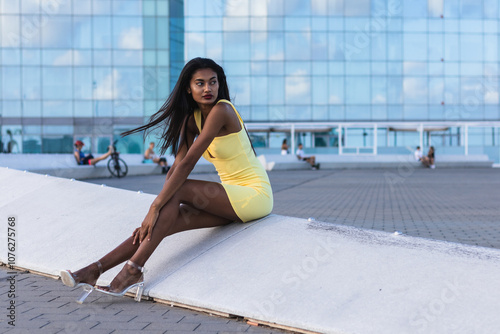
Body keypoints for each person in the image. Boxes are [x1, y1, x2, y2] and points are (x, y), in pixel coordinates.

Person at [60, 58, 273, 302]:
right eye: (200, 83)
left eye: (213, 82)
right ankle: (95, 269)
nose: (208, 89)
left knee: (170, 200)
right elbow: (176, 167)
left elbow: (189, 162)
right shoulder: (191, 120)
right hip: (230, 198)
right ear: (188, 88)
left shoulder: (222, 110)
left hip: (255, 194)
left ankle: (132, 270)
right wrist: (154, 213)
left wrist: (155, 206)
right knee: (162, 222)